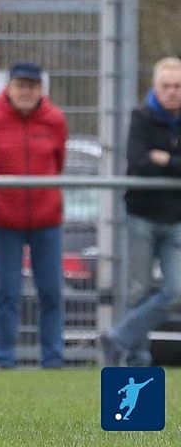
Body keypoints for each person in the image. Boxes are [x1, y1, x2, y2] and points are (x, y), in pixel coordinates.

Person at [0, 61, 68, 369]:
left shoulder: (54, 119)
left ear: (41, 89)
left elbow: (59, 161)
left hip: (47, 220)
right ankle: (5, 358)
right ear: (10, 87)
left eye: (32, 86)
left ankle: (53, 358)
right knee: (8, 291)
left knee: (52, 291)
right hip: (4, 220)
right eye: (21, 85)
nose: (26, 92)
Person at [101, 57, 181, 367]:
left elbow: (155, 162)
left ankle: (118, 336)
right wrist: (170, 163)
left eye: (177, 87)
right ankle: (137, 360)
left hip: (175, 218)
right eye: (166, 86)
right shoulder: (141, 116)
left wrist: (164, 160)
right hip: (142, 215)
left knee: (174, 291)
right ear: (155, 87)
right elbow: (137, 161)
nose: (172, 92)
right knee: (137, 290)